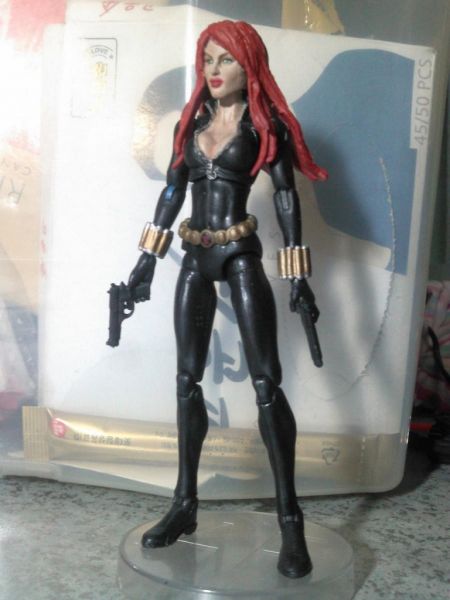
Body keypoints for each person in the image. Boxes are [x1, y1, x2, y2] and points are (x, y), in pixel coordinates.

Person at [127, 20, 327, 579]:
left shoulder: (265, 127)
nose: (214, 71)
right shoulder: (192, 122)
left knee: (266, 383)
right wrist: (145, 262)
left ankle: (290, 520)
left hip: (239, 252)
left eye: (226, 60)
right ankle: (184, 504)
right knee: (185, 380)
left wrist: (298, 277)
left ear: (249, 65)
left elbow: (286, 197)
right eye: (208, 60)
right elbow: (173, 189)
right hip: (194, 253)